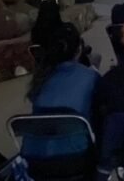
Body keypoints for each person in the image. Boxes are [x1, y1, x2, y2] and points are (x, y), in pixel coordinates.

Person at [23, 23, 100, 157]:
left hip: (35, 156)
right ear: (79, 49)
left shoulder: (41, 77)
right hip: (76, 155)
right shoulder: (90, 77)